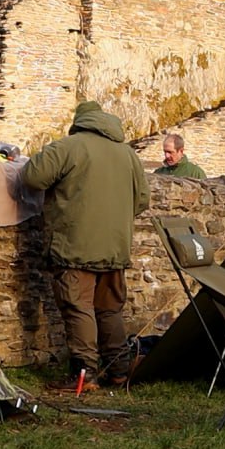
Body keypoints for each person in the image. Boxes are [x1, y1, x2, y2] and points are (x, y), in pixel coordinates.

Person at [22, 101, 150, 390]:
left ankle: (84, 376)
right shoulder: (128, 154)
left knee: (78, 307)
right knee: (109, 310)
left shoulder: (70, 146)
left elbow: (32, 177)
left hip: (74, 245)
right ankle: (118, 372)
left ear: (79, 121)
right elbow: (142, 200)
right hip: (116, 248)